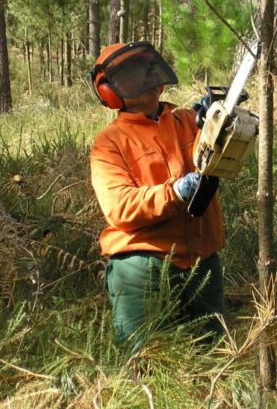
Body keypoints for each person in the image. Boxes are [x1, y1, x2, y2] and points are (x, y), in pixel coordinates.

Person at [89, 41, 225, 346]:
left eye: (146, 70)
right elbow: (120, 207)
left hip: (203, 257)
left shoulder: (188, 122)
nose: (145, 80)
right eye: (132, 75)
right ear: (110, 92)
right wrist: (177, 191)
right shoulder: (109, 143)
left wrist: (219, 120)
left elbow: (224, 158)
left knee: (215, 354)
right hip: (142, 264)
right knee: (145, 362)